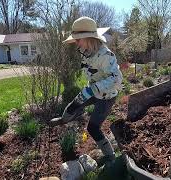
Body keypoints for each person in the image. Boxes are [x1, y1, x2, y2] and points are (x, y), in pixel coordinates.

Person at [49, 16, 123, 166]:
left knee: (93, 127)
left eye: (78, 39)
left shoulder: (106, 55)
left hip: (106, 96)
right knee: (74, 105)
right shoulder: (85, 51)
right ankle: (63, 120)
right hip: (91, 90)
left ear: (89, 38)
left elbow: (116, 79)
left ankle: (110, 156)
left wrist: (94, 88)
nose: (76, 43)